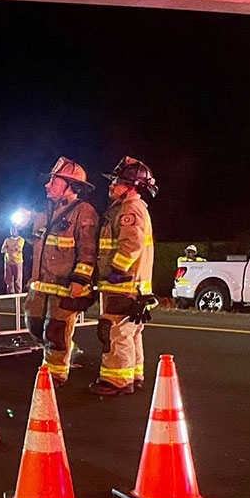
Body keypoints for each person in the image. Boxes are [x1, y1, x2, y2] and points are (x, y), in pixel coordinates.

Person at [24, 158, 99, 386]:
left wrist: (80, 280)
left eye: (53, 181)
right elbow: (38, 243)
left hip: (66, 287)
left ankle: (55, 374)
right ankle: (67, 350)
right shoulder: (42, 212)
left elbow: (88, 251)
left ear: (71, 185)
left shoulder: (84, 212)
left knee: (56, 331)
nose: (47, 185)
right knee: (35, 326)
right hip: (40, 286)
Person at [92, 157, 158, 396]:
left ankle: (116, 381)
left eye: (117, 182)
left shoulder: (130, 208)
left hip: (124, 283)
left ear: (131, 186)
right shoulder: (131, 207)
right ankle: (133, 374)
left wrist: (116, 271)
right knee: (130, 331)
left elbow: (132, 244)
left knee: (115, 331)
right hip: (133, 284)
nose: (111, 185)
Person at [2, 227, 25, 293]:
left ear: (17, 231)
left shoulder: (21, 239)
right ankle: (9, 295)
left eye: (14, 230)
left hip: (17, 261)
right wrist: (12, 250)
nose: (13, 232)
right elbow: (2, 250)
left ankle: (18, 295)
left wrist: (8, 249)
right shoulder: (7, 240)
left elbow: (18, 248)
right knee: (8, 280)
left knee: (18, 280)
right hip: (8, 261)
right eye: (11, 230)